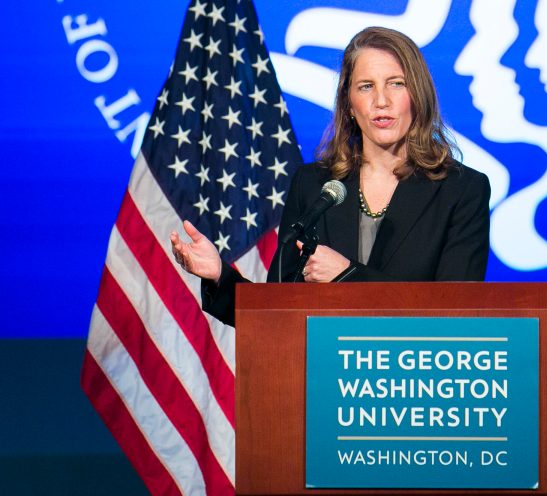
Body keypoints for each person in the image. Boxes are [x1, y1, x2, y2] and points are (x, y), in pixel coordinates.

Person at [171, 26, 491, 326]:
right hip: (327, 378)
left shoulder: (462, 190)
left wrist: (347, 275)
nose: (382, 101)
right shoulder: (314, 186)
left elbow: (455, 309)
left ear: (417, 95)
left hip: (415, 376)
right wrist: (219, 277)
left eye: (396, 83)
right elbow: (278, 312)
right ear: (350, 104)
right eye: (366, 86)